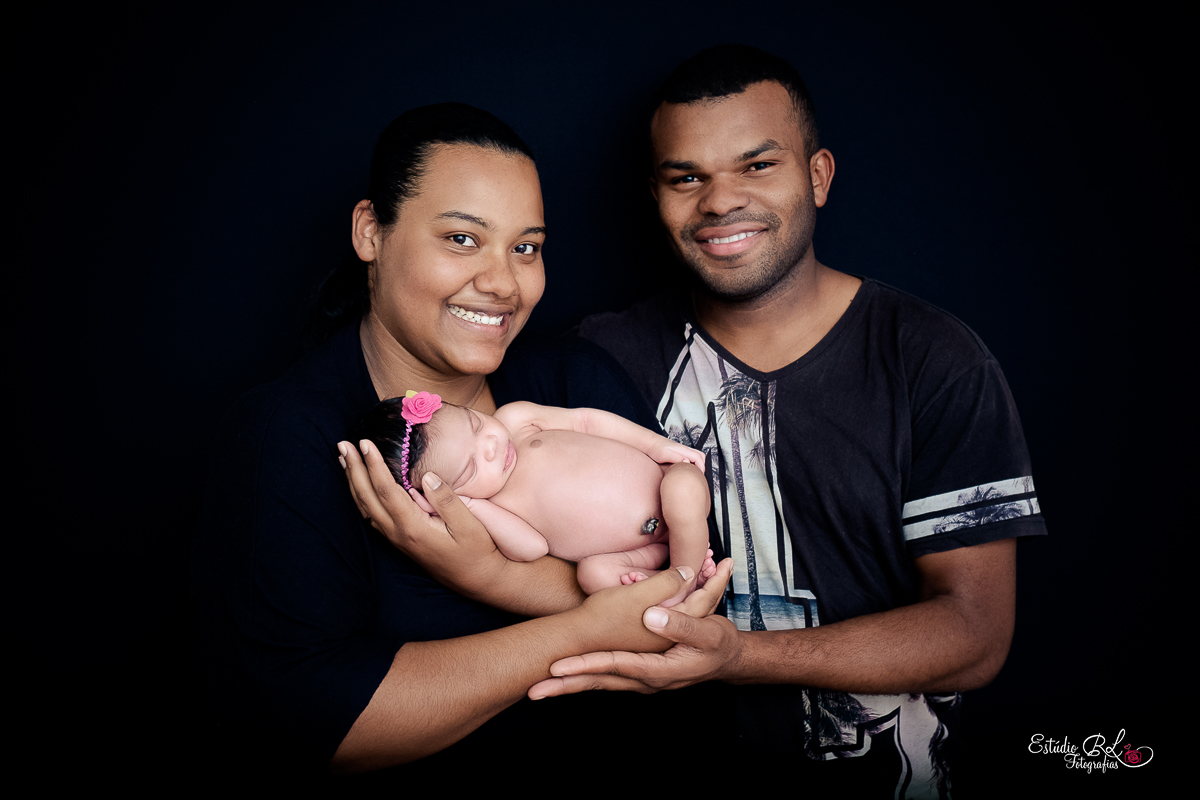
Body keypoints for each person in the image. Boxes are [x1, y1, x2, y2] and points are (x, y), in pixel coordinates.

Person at [536, 45, 1049, 797]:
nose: (718, 202)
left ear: (818, 176)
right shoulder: (598, 360)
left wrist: (739, 655)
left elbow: (974, 635)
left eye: (756, 166)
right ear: (656, 195)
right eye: (687, 178)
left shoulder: (933, 358)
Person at [193, 102, 728, 778]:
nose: (503, 283)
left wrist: (494, 577)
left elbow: (700, 596)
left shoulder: (575, 378)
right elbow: (312, 718)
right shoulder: (293, 438)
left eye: (525, 247)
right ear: (370, 232)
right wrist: (582, 628)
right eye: (462, 239)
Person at [353, 391, 713, 604]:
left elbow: (587, 421)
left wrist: (658, 445)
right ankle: (672, 580)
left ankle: (683, 579)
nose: (492, 445)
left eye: (475, 423)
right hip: (639, 552)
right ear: (441, 496)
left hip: (667, 483)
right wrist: (470, 507)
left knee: (682, 491)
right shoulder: (490, 508)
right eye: (470, 470)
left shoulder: (515, 419)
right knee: (591, 576)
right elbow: (532, 548)